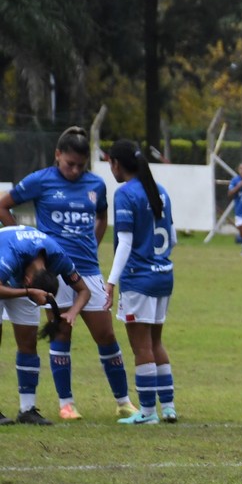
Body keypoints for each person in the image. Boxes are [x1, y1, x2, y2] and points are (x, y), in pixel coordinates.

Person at [0, 125, 134, 420]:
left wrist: (93, 244)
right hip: (50, 271)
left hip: (86, 269)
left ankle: (124, 401)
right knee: (61, 332)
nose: (74, 171)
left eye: (80, 166)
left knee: (106, 334)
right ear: (57, 155)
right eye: (69, 163)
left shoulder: (96, 185)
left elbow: (101, 216)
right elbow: (3, 204)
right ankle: (66, 403)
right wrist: (22, 237)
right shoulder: (41, 180)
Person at [105, 140, 178, 425]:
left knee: (141, 347)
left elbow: (124, 243)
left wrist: (111, 282)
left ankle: (147, 412)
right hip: (164, 276)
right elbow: (172, 237)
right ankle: (168, 407)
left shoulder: (125, 194)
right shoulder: (160, 191)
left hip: (139, 279)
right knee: (156, 341)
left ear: (115, 164)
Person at [0, 226, 90, 424]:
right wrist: (27, 293)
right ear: (28, 280)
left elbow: (84, 290)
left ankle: (27, 410)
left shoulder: (59, 259)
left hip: (23, 282)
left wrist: (72, 313)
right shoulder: (11, 255)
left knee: (28, 343)